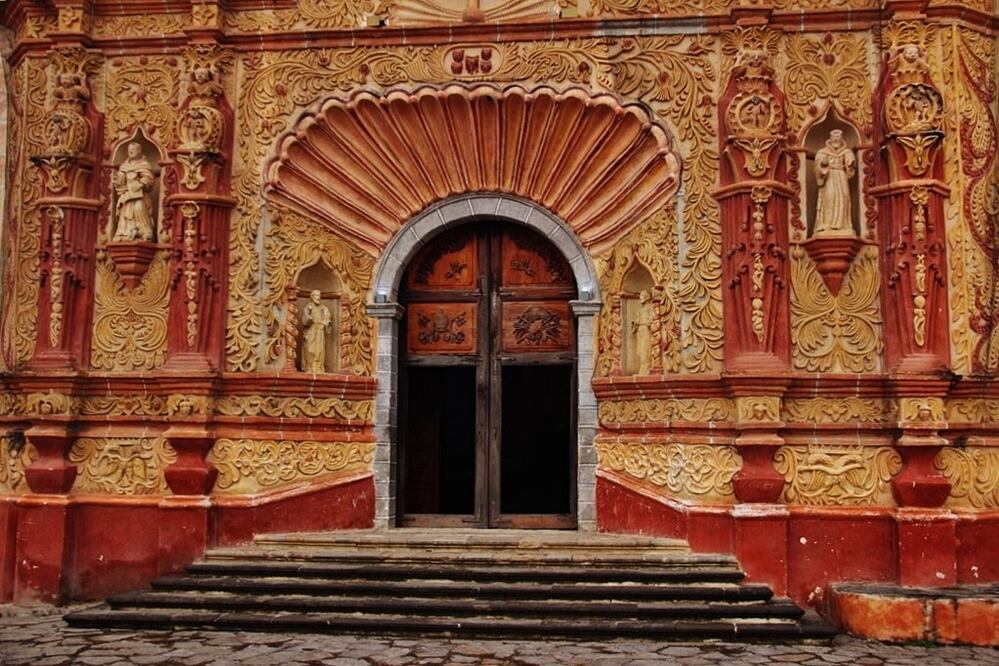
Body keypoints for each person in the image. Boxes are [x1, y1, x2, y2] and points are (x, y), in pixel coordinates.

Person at [813, 130, 855, 236]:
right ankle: (827, 223)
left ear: (841, 139)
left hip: (841, 176)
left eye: (838, 136)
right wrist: (823, 164)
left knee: (844, 197)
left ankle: (842, 224)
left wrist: (850, 163)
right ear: (830, 138)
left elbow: (850, 166)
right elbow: (817, 167)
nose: (836, 139)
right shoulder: (822, 152)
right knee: (829, 197)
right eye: (834, 136)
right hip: (829, 177)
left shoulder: (847, 152)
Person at [112, 142, 156, 242]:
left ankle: (144, 232)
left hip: (139, 194)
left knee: (138, 207)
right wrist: (118, 180)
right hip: (127, 194)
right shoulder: (125, 165)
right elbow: (120, 178)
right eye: (129, 150)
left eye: (133, 149)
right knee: (124, 211)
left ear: (139, 151)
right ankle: (124, 233)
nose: (130, 151)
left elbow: (149, 177)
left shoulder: (144, 164)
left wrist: (142, 183)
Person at [301, 290, 332, 373]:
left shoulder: (324, 308)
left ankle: (319, 368)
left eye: (319, 296)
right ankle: (309, 367)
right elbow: (305, 321)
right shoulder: (308, 308)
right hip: (310, 330)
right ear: (312, 297)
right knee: (310, 349)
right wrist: (309, 316)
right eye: (316, 296)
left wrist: (326, 322)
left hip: (320, 331)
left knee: (319, 350)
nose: (318, 298)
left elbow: (327, 318)